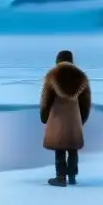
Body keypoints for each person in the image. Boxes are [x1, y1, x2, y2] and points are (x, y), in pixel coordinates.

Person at [39, 49, 91, 187]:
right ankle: (72, 176)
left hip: (57, 116)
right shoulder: (81, 77)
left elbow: (45, 99)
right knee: (72, 147)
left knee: (59, 146)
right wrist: (82, 119)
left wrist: (44, 116)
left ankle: (60, 177)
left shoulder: (52, 75)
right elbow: (86, 102)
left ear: (58, 60)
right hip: (74, 116)